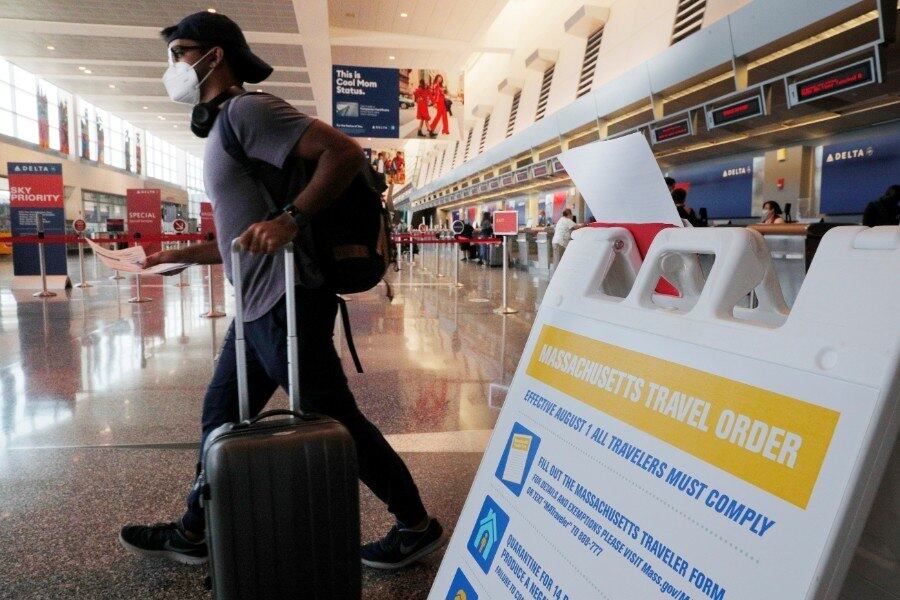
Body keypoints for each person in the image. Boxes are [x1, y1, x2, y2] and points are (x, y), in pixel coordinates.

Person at [118, 11, 442, 571]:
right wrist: (172, 256)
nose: (173, 66)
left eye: (180, 52)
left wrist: (292, 217)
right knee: (219, 414)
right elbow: (244, 238)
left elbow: (344, 152)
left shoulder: (248, 110)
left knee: (335, 420)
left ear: (214, 56)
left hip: (289, 302)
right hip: (257, 309)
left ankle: (416, 525)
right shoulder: (223, 127)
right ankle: (194, 531)